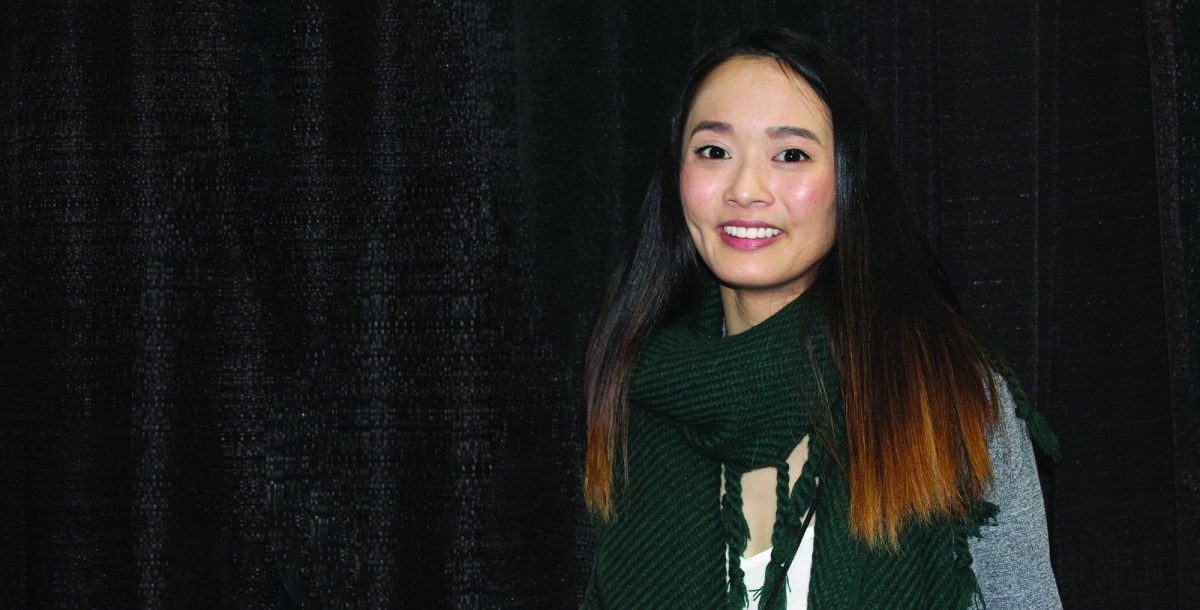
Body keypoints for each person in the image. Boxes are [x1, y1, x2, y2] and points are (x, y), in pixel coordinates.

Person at [578, 27, 1063, 609]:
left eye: (791, 155)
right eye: (714, 151)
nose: (745, 189)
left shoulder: (945, 394)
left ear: (850, 180)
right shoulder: (642, 389)